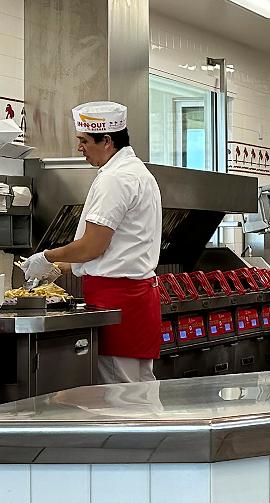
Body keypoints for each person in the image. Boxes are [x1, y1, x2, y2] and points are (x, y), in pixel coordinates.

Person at [21, 101, 162, 383]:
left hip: (117, 300)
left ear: (107, 140)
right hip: (136, 299)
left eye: (84, 140)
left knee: (119, 397)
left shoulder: (116, 179)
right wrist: (61, 267)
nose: (79, 148)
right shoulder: (136, 172)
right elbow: (116, 248)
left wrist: (45, 257)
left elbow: (93, 246)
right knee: (138, 391)